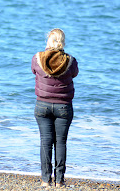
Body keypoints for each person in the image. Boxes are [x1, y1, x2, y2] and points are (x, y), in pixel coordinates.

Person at [31, 28, 79, 188]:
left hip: (42, 105)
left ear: (48, 42)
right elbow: (75, 74)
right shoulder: (71, 61)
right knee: (61, 142)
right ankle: (59, 181)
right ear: (62, 43)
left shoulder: (37, 58)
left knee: (45, 141)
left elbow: (33, 71)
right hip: (63, 107)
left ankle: (46, 180)